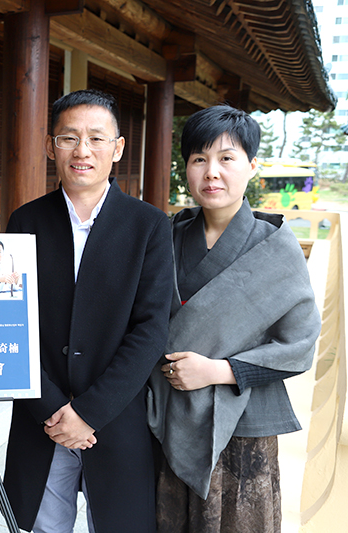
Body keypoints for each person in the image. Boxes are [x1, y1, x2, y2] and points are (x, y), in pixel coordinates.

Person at [3, 89, 175, 532]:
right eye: (69, 138)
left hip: (114, 415)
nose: (83, 151)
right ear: (50, 146)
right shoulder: (25, 222)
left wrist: (89, 413)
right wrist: (51, 407)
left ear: (117, 148)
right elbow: (7, 321)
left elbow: (151, 329)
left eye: (97, 139)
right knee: (44, 525)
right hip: (43, 416)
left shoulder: (149, 225)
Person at [147, 105, 320, 532]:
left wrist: (218, 370)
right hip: (168, 411)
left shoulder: (274, 246)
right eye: (199, 159)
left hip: (243, 423)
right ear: (185, 168)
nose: (212, 172)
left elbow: (299, 345)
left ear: (251, 166)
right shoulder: (166, 235)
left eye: (227, 158)